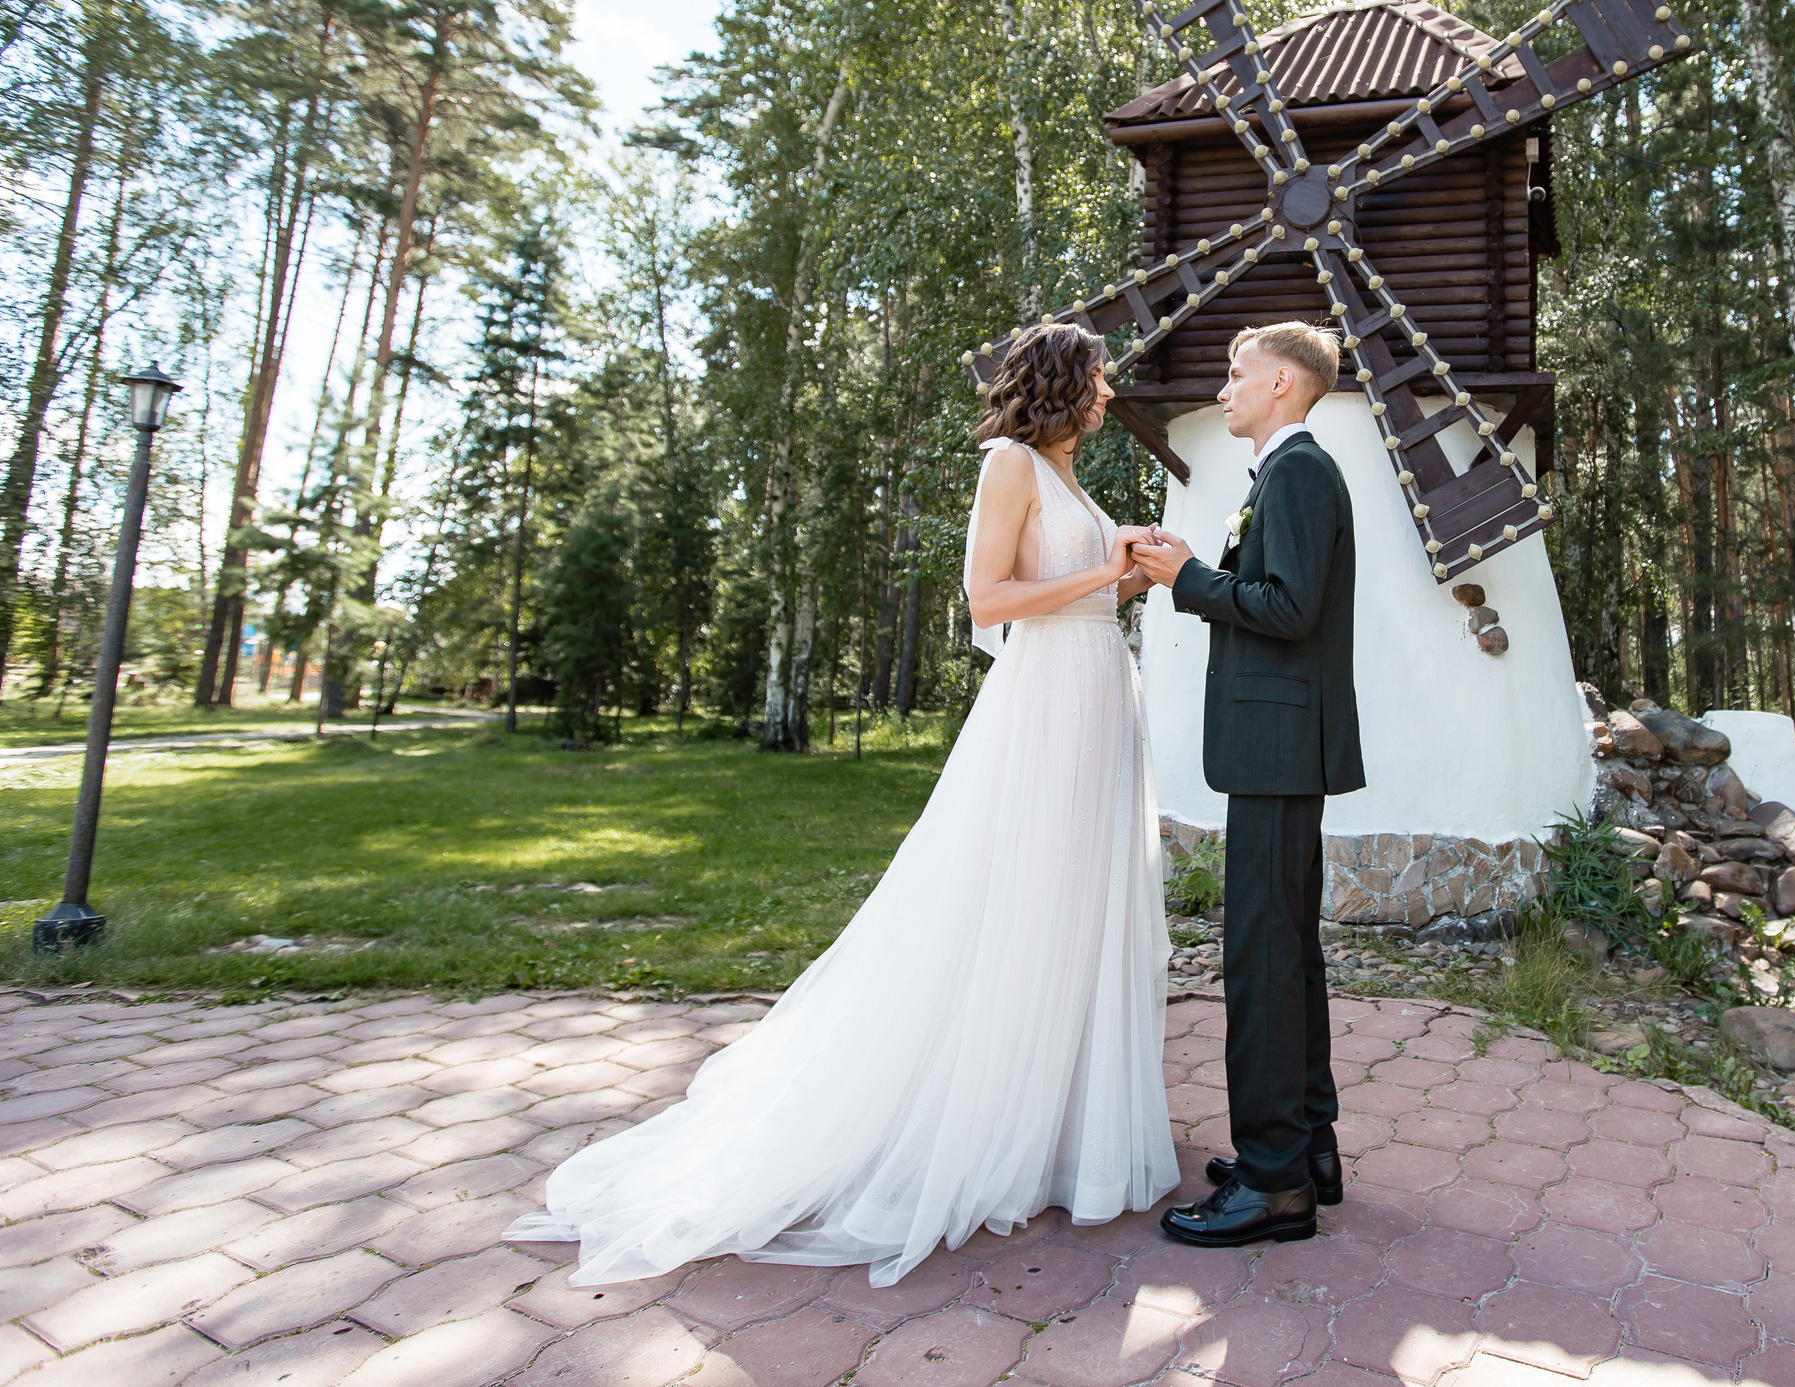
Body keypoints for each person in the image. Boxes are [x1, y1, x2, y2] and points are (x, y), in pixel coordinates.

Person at [503, 323, 1176, 1288]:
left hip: (1097, 693)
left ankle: (1065, 1119)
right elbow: (988, 599)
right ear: (1066, 383)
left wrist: (1120, 551)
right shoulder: (1011, 463)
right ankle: (984, 1119)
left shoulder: (1068, 474)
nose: (1112, 394)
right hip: (1048, 699)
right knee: (1023, 894)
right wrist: (1105, 572)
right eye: (1101, 379)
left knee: (1076, 899)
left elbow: (1062, 576)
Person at [1130, 320, 1364, 1247]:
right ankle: (1305, 1147)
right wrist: (1201, 568)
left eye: (1236, 374)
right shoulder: (1286, 471)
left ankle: (1273, 1183)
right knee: (1286, 950)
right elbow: (1276, 593)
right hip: (1278, 745)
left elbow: (1289, 608)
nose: (1222, 389)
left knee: (1261, 960)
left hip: (1275, 747)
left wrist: (1187, 577)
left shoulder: (1300, 471)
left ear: (1281, 385)